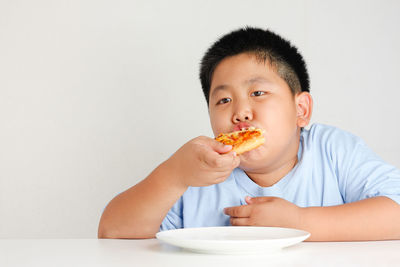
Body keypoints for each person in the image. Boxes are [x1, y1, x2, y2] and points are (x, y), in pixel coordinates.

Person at [98, 27, 400, 241]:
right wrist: (174, 175)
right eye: (223, 100)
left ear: (301, 110)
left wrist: (300, 223)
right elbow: (112, 230)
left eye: (258, 92)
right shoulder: (196, 169)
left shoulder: (331, 150)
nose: (240, 112)